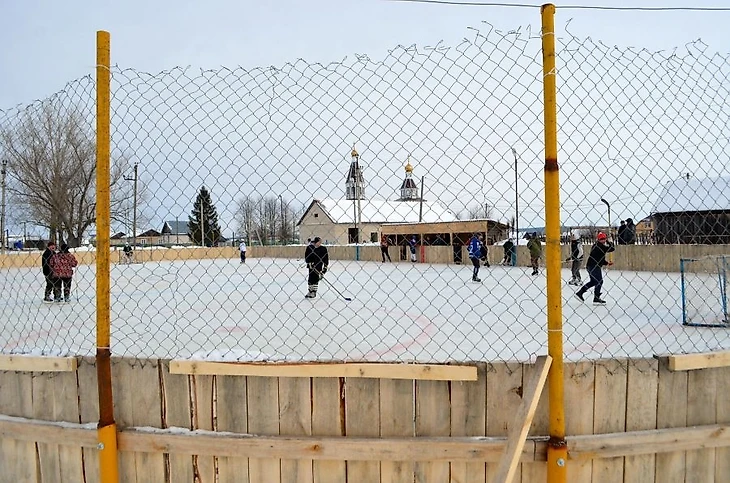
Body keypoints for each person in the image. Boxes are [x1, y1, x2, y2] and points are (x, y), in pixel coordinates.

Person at [575, 232, 615, 305]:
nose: (603, 240)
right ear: (599, 239)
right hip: (594, 266)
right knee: (599, 281)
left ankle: (580, 293)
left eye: (604, 239)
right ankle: (596, 298)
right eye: (601, 239)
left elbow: (600, 258)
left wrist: (606, 263)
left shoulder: (596, 245)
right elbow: (611, 249)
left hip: (591, 266)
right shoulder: (599, 246)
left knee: (594, 281)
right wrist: (610, 241)